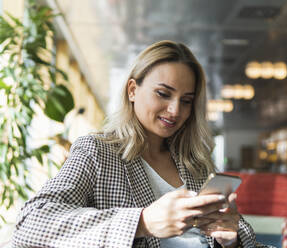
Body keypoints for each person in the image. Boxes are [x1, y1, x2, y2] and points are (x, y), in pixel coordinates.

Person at [12, 40, 270, 248]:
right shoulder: (98, 152)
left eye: (186, 100)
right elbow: (32, 222)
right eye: (163, 93)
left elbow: (240, 236)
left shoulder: (196, 164)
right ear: (133, 90)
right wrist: (142, 222)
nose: (174, 110)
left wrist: (231, 239)